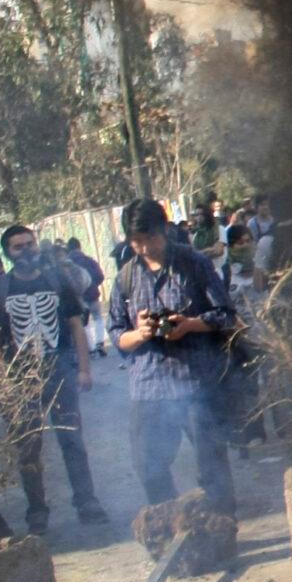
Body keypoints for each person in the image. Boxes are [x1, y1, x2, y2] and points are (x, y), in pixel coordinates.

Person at [108, 198, 238, 520]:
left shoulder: (195, 263)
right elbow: (116, 336)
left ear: (164, 230)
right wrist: (139, 333)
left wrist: (190, 324)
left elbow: (226, 315)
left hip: (195, 381)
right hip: (148, 387)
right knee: (148, 466)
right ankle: (170, 529)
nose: (143, 247)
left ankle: (221, 526)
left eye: (149, 238)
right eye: (135, 241)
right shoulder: (125, 278)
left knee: (211, 466)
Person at [0, 224, 109, 531]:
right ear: (7, 252)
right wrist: (1, 379)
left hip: (59, 367)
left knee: (72, 439)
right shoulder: (1, 288)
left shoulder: (57, 281)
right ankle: (37, 509)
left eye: (30, 244)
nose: (26, 251)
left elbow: (76, 326)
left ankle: (87, 501)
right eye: (18, 247)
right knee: (28, 446)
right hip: (19, 376)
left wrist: (84, 369)